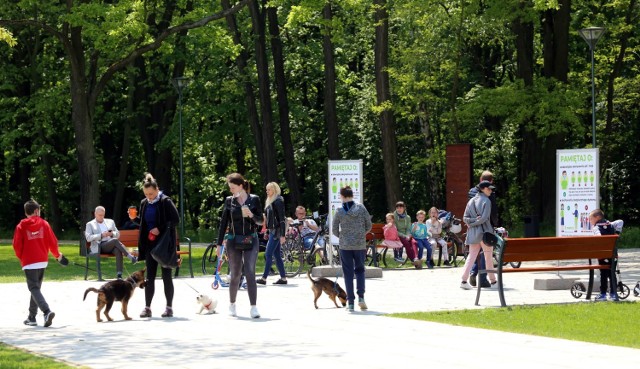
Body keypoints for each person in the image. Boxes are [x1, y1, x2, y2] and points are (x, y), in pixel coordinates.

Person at [216, 173, 263, 318]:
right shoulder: (229, 201)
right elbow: (224, 223)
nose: (231, 190)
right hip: (233, 240)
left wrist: (251, 215)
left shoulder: (254, 199)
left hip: (251, 239)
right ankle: (232, 304)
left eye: (233, 187)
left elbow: (261, 221)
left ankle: (253, 308)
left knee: (250, 272)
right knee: (235, 273)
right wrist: (219, 244)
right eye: (230, 188)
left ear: (241, 186)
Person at [13, 199, 66, 327]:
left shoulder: (21, 226)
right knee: (36, 289)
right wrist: (57, 255)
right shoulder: (44, 224)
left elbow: (16, 245)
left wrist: (22, 258)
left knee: (34, 288)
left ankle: (46, 311)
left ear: (27, 213)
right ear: (36, 211)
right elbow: (52, 242)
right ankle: (32, 317)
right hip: (42, 260)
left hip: (29, 261)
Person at [137, 173, 180, 319]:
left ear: (157, 190)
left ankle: (169, 307)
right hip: (150, 244)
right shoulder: (144, 203)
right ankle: (147, 307)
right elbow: (144, 223)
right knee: (150, 276)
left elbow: (175, 219)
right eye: (146, 194)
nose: (149, 197)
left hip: (164, 244)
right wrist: (135, 219)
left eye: (151, 194)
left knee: (166, 275)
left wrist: (159, 228)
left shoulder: (165, 201)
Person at [332, 186, 372, 312]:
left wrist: (343, 237)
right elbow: (369, 225)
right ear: (352, 195)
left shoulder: (339, 210)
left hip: (345, 246)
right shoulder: (361, 208)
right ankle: (361, 297)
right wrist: (360, 235)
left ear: (342, 196)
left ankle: (350, 303)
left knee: (348, 273)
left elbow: (334, 229)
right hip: (359, 244)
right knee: (360, 270)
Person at [460, 181, 496, 290]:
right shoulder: (487, 201)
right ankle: (493, 282)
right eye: (489, 189)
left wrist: (471, 222)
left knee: (471, 257)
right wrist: (476, 220)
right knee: (488, 257)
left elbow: (465, 218)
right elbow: (484, 218)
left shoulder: (471, 201)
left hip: (473, 233)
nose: (491, 191)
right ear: (483, 189)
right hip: (485, 233)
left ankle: (463, 280)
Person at [85, 206, 138, 280]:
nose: (101, 217)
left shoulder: (110, 221)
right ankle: (130, 257)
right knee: (115, 241)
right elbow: (88, 238)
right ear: (95, 214)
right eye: (99, 215)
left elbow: (118, 234)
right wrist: (101, 235)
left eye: (103, 215)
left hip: (111, 244)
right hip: (99, 246)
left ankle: (119, 275)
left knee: (118, 250)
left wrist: (112, 234)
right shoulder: (90, 224)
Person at [468, 171, 498, 287]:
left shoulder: (471, 192)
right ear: (491, 181)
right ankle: (483, 279)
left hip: (473, 225)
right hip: (486, 226)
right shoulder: (490, 193)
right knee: (486, 253)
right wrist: (494, 224)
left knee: (475, 252)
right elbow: (493, 211)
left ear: (480, 179)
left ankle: (472, 272)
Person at [589, 209, 624, 301]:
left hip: (603, 255)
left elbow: (599, 238)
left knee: (603, 273)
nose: (590, 221)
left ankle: (603, 294)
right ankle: (613, 294)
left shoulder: (596, 228)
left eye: (590, 219)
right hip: (613, 255)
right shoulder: (610, 224)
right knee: (612, 272)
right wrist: (616, 233)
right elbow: (620, 221)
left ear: (597, 217)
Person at [257, 182, 287, 285]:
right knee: (277, 255)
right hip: (272, 231)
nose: (267, 191)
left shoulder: (278, 201)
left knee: (268, 254)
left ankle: (264, 278)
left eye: (268, 189)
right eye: (266, 189)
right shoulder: (271, 201)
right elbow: (270, 219)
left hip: (276, 232)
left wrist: (283, 235)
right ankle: (283, 279)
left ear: (274, 189)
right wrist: (267, 230)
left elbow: (282, 219)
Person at [393, 202, 421, 268]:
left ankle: (416, 258)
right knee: (407, 243)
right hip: (398, 235)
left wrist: (408, 235)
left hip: (406, 235)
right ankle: (414, 261)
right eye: (397, 208)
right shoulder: (393, 217)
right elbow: (395, 230)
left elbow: (408, 228)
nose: (399, 209)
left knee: (414, 242)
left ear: (404, 208)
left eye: (401, 207)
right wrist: (405, 236)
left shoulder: (408, 217)